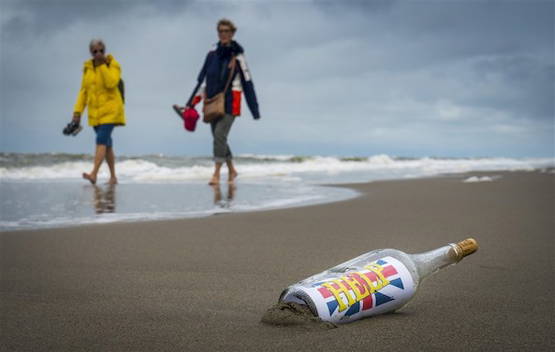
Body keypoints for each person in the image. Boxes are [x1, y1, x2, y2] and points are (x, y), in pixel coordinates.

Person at [177, 18, 260, 185]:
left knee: (219, 136)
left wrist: (254, 110)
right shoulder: (211, 55)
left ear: (232, 33)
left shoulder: (239, 57)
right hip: (213, 102)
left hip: (231, 103)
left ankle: (216, 174)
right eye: (220, 31)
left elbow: (248, 84)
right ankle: (232, 170)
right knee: (219, 137)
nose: (223, 34)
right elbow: (202, 81)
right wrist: (190, 104)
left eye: (226, 31)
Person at [72, 39, 125, 185]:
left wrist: (102, 65)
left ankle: (94, 173)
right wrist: (77, 112)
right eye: (95, 51)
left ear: (105, 50)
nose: (98, 53)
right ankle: (113, 177)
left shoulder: (113, 65)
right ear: (91, 52)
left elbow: (111, 82)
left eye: (101, 50)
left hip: (111, 111)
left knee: (100, 140)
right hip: (95, 113)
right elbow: (83, 92)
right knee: (107, 145)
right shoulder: (87, 69)